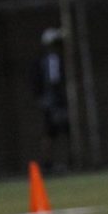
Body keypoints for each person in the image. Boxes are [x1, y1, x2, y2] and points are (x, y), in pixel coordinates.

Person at [33, 27, 70, 173]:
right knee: (52, 132)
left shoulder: (47, 59)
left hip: (51, 100)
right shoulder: (52, 59)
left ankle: (55, 162)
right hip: (54, 101)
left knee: (55, 132)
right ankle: (50, 163)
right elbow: (54, 80)